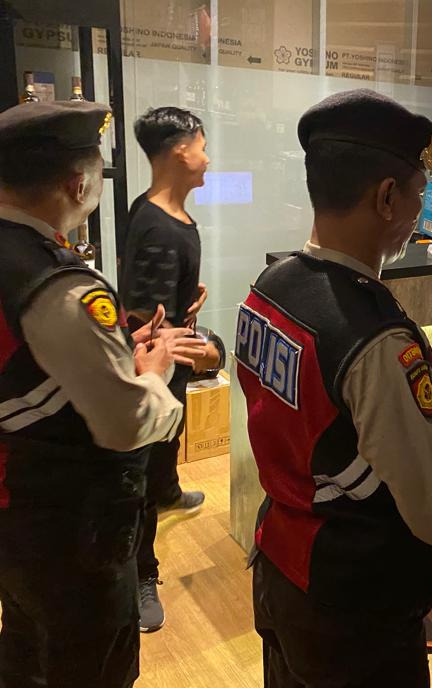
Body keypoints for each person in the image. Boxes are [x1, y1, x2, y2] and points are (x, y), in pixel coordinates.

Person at [237, 89, 432, 688]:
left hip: (280, 571)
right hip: (353, 614)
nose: (421, 210)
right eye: (419, 193)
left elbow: (320, 403)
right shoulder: (376, 336)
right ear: (387, 197)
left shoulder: (271, 286)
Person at [0, 100, 201, 687]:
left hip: (17, 502)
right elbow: (126, 422)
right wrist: (152, 372)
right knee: (91, 663)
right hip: (69, 525)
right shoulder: (61, 285)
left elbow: (33, 365)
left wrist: (110, 351)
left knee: (26, 649)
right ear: (77, 183)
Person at [119, 107, 214, 632]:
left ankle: (170, 489)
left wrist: (187, 301)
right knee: (143, 469)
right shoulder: (157, 224)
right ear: (180, 151)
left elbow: (155, 295)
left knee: (167, 446)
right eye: (202, 146)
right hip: (154, 366)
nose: (207, 158)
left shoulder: (165, 214)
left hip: (172, 359)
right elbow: (142, 318)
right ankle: (143, 574)